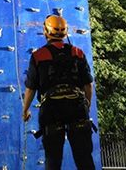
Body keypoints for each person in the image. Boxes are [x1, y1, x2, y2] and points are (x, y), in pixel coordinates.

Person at [22, 15, 95, 170]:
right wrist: (86, 105)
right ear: (65, 32)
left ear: (46, 31)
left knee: (53, 160)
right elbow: (88, 85)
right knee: (84, 159)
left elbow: (31, 88)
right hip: (77, 107)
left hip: (51, 110)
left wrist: (25, 109)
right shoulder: (78, 53)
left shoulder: (38, 56)